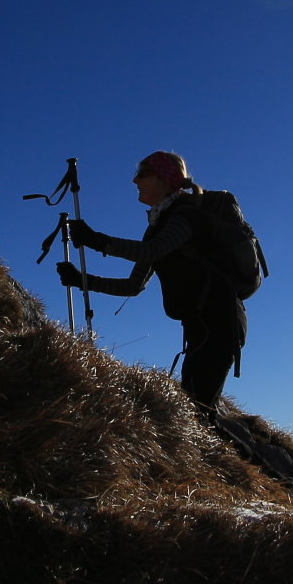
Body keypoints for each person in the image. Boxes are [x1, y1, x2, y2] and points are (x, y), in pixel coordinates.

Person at [59, 150, 245, 413]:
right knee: (196, 403)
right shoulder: (159, 224)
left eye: (142, 173)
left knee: (198, 408)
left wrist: (97, 240)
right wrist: (82, 280)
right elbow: (132, 286)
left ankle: (223, 437)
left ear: (164, 178)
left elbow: (151, 252)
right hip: (204, 325)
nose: (135, 180)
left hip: (219, 321)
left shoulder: (185, 215)